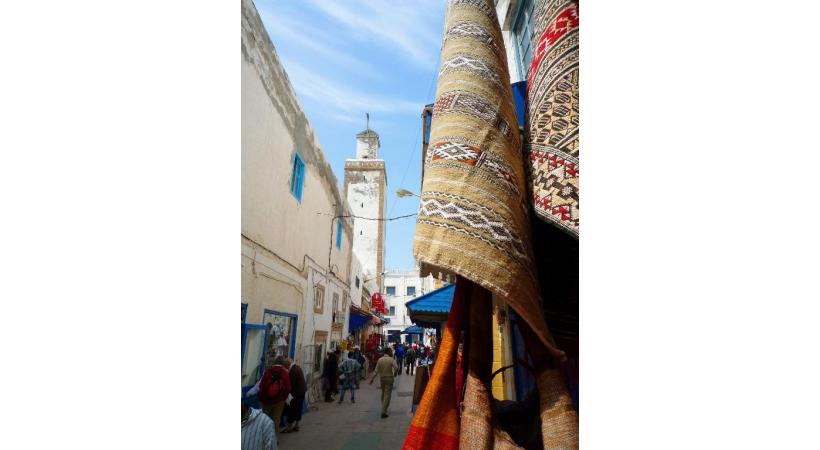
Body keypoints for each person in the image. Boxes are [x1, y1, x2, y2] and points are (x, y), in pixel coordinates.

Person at [252, 356, 291, 440]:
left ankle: (263, 439)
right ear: (283, 364)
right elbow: (288, 388)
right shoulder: (285, 373)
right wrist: (282, 398)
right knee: (276, 420)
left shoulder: (267, 371)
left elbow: (261, 385)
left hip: (266, 400)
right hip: (279, 402)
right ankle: (274, 439)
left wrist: (263, 396)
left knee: (265, 419)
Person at [369, 347, 398, 418]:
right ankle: (383, 411)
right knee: (387, 395)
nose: (392, 352)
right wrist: (395, 373)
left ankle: (384, 408)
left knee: (383, 393)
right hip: (389, 378)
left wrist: (372, 379)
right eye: (391, 351)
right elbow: (396, 368)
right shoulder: (391, 359)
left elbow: (376, 371)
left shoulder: (380, 360)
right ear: (388, 352)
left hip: (382, 378)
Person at [282, 357, 306, 433]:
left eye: (286, 366)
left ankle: (289, 426)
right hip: (301, 392)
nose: (286, 368)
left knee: (291, 409)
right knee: (298, 408)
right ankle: (296, 425)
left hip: (296, 393)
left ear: (288, 365)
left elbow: (291, 384)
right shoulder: (297, 367)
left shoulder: (293, 371)